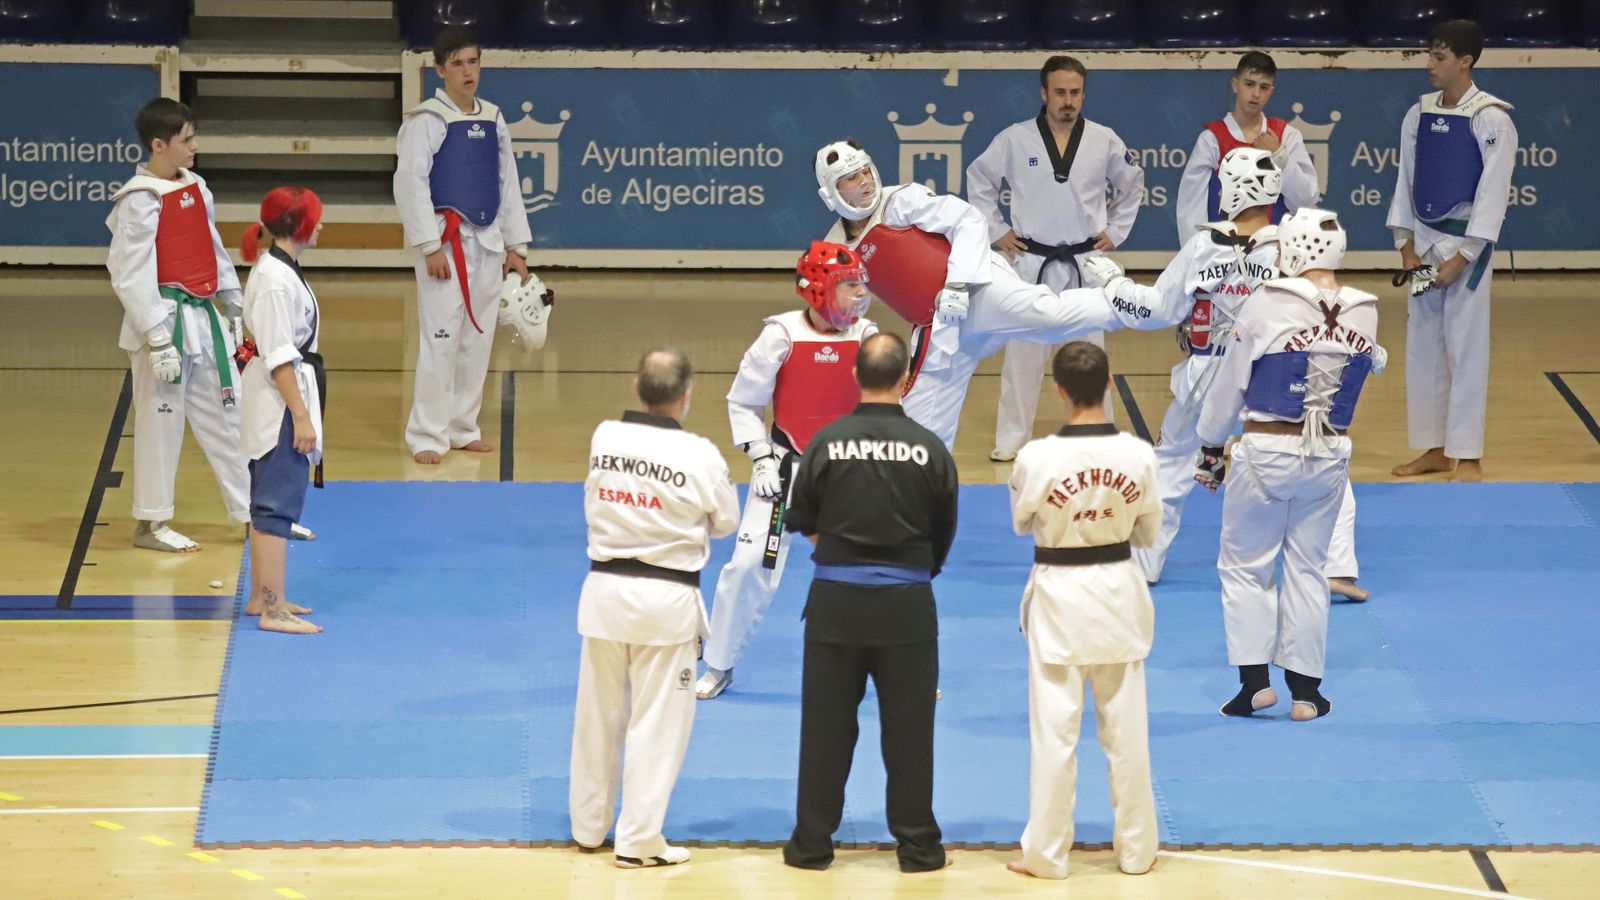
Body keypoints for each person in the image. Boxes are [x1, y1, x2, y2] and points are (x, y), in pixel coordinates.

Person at [814, 139, 1188, 449]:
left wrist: (959, 283)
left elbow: (969, 219)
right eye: (849, 178)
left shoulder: (900, 202)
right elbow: (839, 303)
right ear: (831, 192)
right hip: (941, 328)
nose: (863, 181)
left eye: (865, 171)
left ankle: (1129, 298)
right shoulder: (834, 246)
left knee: (1049, 316)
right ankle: (917, 500)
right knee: (919, 424)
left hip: (978, 289)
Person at [1118, 149, 1367, 601]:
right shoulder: (1292, 244)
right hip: (1272, 376)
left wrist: (1113, 290)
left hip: (1206, 375)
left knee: (1172, 463)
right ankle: (1339, 567)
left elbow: (1159, 309)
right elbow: (1319, 308)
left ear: (1228, 188)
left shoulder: (1203, 245)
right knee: (1321, 455)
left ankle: (1142, 564)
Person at [1195, 209, 1380, 722]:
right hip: (1330, 456)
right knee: (1307, 569)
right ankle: (1307, 693)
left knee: (1246, 567)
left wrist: (1210, 449)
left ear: (1294, 250)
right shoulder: (1367, 310)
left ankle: (1254, 686)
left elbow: (1230, 384)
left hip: (1267, 452)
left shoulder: (1267, 303)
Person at [782, 333, 957, 874]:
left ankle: (812, 844)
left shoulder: (825, 442)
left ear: (855, 377)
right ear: (907, 379)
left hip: (835, 603)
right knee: (909, 731)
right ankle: (919, 848)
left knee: (825, 728)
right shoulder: (930, 448)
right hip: (907, 605)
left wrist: (844, 554)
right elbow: (941, 538)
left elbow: (802, 521)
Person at [569, 349, 739, 869]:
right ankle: (639, 840)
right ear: (686, 397)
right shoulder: (702, 454)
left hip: (604, 593)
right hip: (665, 600)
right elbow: (727, 520)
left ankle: (589, 826)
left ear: (636, 387)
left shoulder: (604, 436)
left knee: (598, 716)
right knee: (657, 724)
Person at [1006, 341, 1159, 880]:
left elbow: (1022, 522)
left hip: (1059, 595)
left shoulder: (1036, 457)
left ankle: (1045, 856)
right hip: (1118, 589)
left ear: (1059, 389)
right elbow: (1148, 530)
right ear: (1111, 383)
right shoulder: (1139, 455)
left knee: (1054, 736)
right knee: (1127, 735)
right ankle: (1138, 852)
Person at [696, 242, 876, 700]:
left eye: (861, 284)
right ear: (817, 291)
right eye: (848, 285)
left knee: (868, 567)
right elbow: (743, 401)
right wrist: (759, 455)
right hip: (783, 467)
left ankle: (891, 664)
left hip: (846, 468)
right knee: (749, 564)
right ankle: (719, 662)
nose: (859, 295)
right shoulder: (781, 335)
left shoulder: (867, 337)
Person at [967, 55, 1144, 462]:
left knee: (1091, 354)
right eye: (1060, 92)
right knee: (1021, 355)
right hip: (1032, 260)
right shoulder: (1015, 138)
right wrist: (997, 231)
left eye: (1075, 92)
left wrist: (1115, 231)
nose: (1068, 101)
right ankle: (1012, 438)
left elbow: (1131, 185)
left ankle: (1097, 433)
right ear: (1044, 93)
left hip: (1084, 262)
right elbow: (979, 180)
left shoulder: (1103, 139)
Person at [106, 97, 250, 552]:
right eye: (186, 140)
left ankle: (254, 512)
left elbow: (212, 248)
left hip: (203, 317)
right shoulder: (139, 199)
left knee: (230, 416)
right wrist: (156, 338)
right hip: (165, 326)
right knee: (160, 425)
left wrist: (233, 301)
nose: (195, 146)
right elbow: (129, 273)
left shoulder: (196, 186)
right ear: (159, 145)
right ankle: (151, 523)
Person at [395, 25, 533, 465]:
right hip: (445, 240)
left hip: (489, 238)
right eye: (458, 63)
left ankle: (462, 426)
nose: (468, 70)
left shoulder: (493, 117)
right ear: (440, 71)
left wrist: (517, 246)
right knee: (441, 337)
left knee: (478, 337)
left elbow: (506, 183)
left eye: (473, 61)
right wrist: (429, 244)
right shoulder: (426, 121)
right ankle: (427, 435)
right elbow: (410, 185)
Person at [1387, 19, 1517, 484]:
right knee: (1424, 349)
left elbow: (1494, 194)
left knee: (1466, 349)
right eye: (1429, 54)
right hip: (1423, 244)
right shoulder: (1417, 113)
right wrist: (1404, 245)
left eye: (1439, 57)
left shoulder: (1492, 118)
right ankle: (1437, 449)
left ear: (1465, 62)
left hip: (1466, 246)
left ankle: (1470, 454)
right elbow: (1405, 180)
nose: (1430, 65)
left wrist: (1464, 256)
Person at [238, 188, 326, 635]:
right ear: (303, 227)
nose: (322, 226)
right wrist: (302, 415)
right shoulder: (275, 279)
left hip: (282, 393)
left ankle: (262, 596)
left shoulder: (280, 269)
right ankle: (273, 610)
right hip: (280, 401)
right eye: (317, 219)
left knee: (272, 499)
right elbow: (278, 356)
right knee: (275, 503)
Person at [1174, 51, 1321, 241]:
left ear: (1271, 91)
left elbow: (1306, 201)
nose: (1256, 94)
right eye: (1249, 84)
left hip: (1274, 252)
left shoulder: (1287, 136)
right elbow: (1190, 207)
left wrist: (1278, 155)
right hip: (1223, 254)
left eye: (1264, 87)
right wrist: (1196, 257)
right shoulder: (1211, 140)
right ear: (1235, 84)